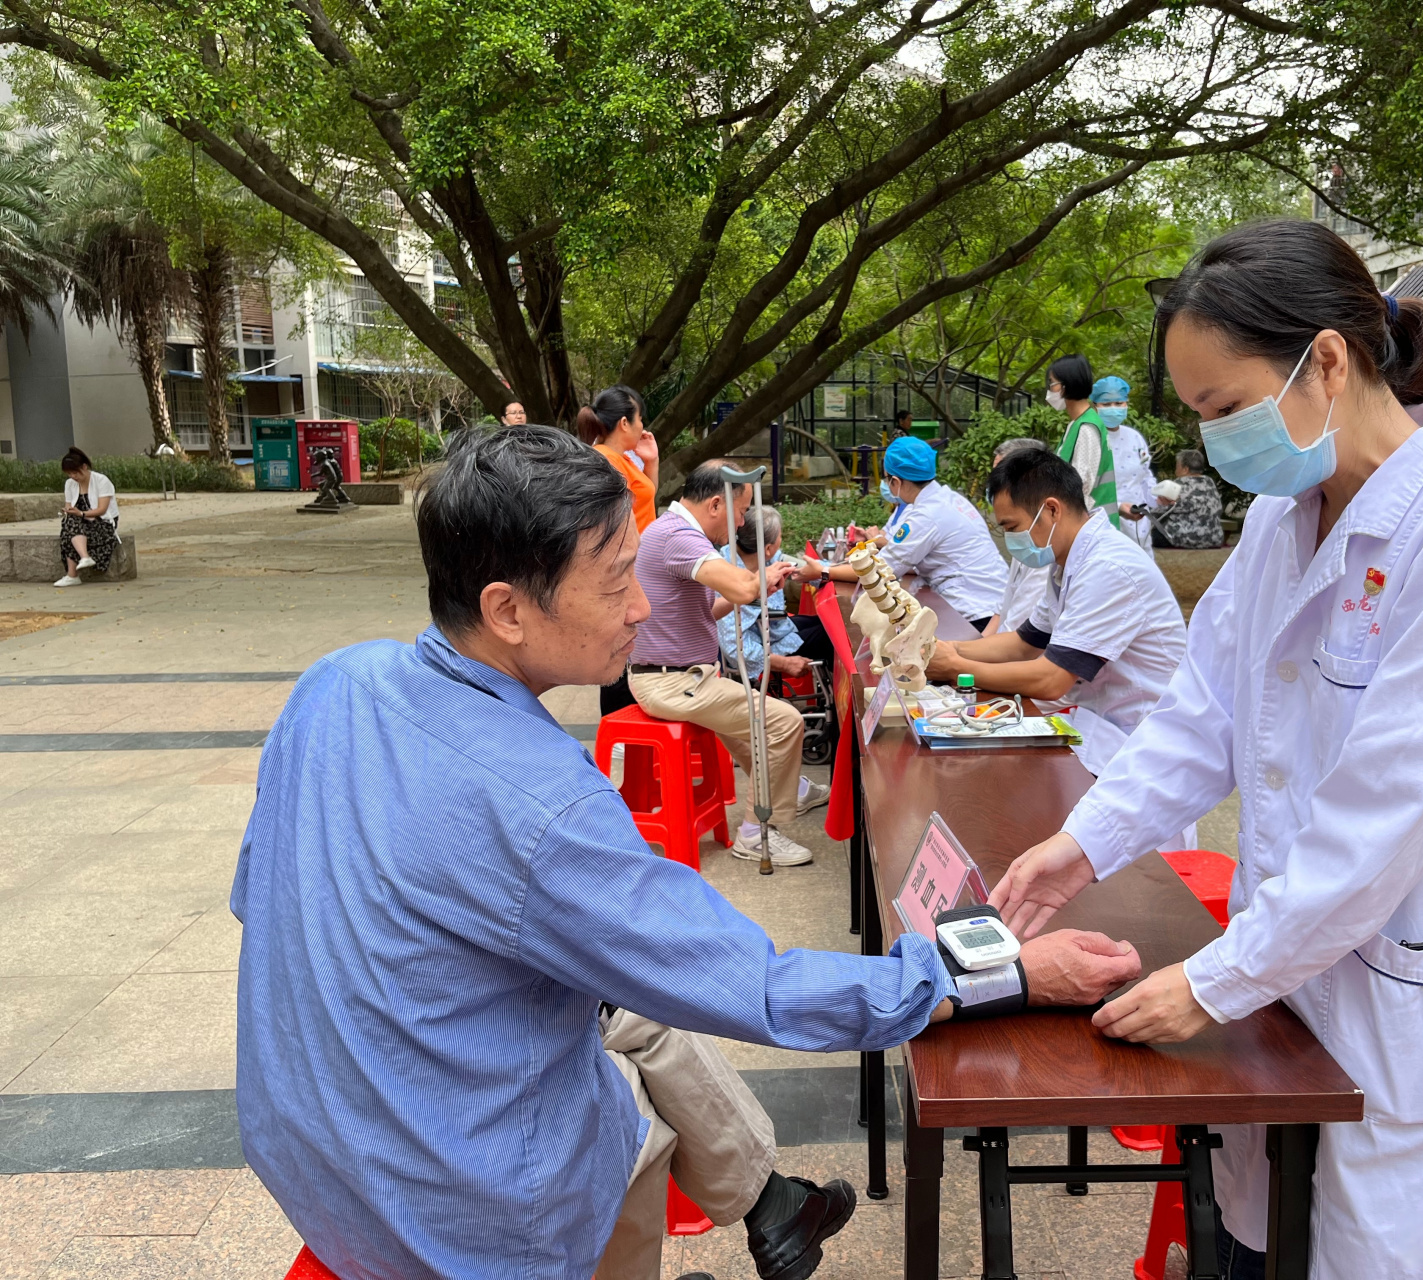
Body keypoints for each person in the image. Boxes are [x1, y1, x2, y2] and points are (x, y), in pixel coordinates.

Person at [231, 425, 1144, 1280]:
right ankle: (752, 1199)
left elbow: (258, 900)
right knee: (635, 1105)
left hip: (307, 1157)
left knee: (633, 1034)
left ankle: (763, 1198)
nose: (640, 606)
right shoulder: (543, 803)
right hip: (465, 1214)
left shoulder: (334, 683)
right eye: (615, 579)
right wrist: (1001, 972)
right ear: (507, 609)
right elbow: (761, 984)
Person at [988, 219, 1423, 1280]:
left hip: (1405, 1006)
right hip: (1296, 982)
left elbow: (1383, 822)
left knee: (1355, 1250)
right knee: (1265, 1239)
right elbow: (1204, 714)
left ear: (1327, 361)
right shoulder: (1282, 523)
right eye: (1198, 416)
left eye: (1226, 407)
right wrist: (1086, 840)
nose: (1213, 441)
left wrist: (1216, 977)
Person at [926, 448, 1187, 780]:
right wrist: (948, 649)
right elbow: (1024, 643)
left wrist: (956, 668)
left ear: (1051, 510)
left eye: (1012, 526)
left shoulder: (1108, 568)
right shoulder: (1068, 562)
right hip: (1099, 727)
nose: (1010, 539)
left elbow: (1051, 679)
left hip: (1139, 745)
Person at [627, 460, 825, 867]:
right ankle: (756, 833)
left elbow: (713, 608)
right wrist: (758, 578)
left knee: (761, 734)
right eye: (741, 512)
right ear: (717, 504)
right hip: (672, 682)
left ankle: (788, 790)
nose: (741, 527)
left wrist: (756, 587)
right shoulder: (679, 536)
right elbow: (737, 584)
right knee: (783, 722)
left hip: (687, 677)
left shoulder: (675, 532)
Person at [823, 436, 1006, 630]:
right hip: (992, 601)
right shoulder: (949, 499)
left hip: (973, 612)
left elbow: (879, 572)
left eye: (887, 480)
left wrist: (824, 571)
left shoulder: (927, 515)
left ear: (895, 481)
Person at [718, 507, 836, 673]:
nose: (781, 540)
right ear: (767, 548)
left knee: (827, 622)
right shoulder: (728, 577)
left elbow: (797, 565)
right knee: (832, 636)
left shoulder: (754, 555)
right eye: (780, 536)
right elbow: (734, 648)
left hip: (772, 628)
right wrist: (783, 664)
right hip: (763, 648)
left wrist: (835, 570)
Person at [982, 436, 1052, 637]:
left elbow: (1018, 639)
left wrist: (959, 657)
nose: (992, 485)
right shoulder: (1025, 536)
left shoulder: (1045, 552)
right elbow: (1004, 608)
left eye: (1000, 476)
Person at [578, 384, 659, 534]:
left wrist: (651, 461)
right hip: (631, 554)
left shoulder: (621, 458)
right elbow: (619, 520)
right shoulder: (608, 460)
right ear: (624, 423)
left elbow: (644, 500)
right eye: (640, 419)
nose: (642, 426)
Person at [1047, 354, 1118, 528]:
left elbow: (1080, 485)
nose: (1050, 390)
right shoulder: (1078, 424)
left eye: (1052, 383)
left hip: (1090, 528)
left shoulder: (1087, 427)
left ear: (1066, 384)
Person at [1092, 375, 1156, 553]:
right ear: (1094, 406)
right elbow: (1083, 488)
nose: (1113, 409)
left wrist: (1158, 496)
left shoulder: (1134, 438)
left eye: (1119, 403)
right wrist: (1118, 506)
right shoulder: (1090, 439)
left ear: (1127, 404)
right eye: (1106, 404)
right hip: (1103, 527)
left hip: (1138, 528)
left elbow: (1145, 477)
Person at [54, 447, 120, 588]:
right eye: (69, 474)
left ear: (84, 467)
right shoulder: (70, 484)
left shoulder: (101, 481)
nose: (73, 476)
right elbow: (69, 506)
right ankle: (83, 559)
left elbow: (102, 510)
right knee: (68, 525)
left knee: (70, 527)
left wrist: (82, 514)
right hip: (79, 523)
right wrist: (68, 511)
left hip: (103, 523)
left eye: (75, 472)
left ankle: (73, 574)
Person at [1148, 448, 1226, 550]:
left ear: (1185, 469)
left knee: (1148, 533)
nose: (1176, 470)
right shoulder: (1209, 483)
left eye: (1177, 466)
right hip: (1213, 537)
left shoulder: (1176, 486)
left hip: (1183, 537)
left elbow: (1157, 512)